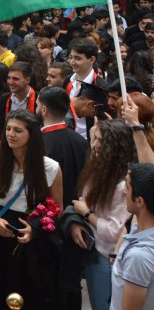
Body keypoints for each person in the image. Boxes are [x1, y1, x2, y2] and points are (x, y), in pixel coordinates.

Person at [0, 109, 63, 308]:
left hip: (32, 238)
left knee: (29, 296)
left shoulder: (50, 167)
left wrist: (36, 229)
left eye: (17, 130)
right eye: (7, 129)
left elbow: (57, 207)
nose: (10, 134)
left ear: (31, 134)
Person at [68, 120, 136, 310]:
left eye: (100, 141)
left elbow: (114, 231)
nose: (94, 144)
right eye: (94, 139)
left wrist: (86, 213)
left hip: (106, 259)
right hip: (93, 253)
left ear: (115, 146)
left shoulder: (123, 185)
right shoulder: (99, 171)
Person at [110, 163, 154, 310]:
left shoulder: (139, 257)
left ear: (140, 201)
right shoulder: (139, 230)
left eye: (127, 187)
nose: (123, 191)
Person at [38, 86, 89, 210]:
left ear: (44, 110)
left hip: (49, 215)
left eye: (37, 106)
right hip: (78, 210)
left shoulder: (38, 144)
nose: (36, 109)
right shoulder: (81, 141)